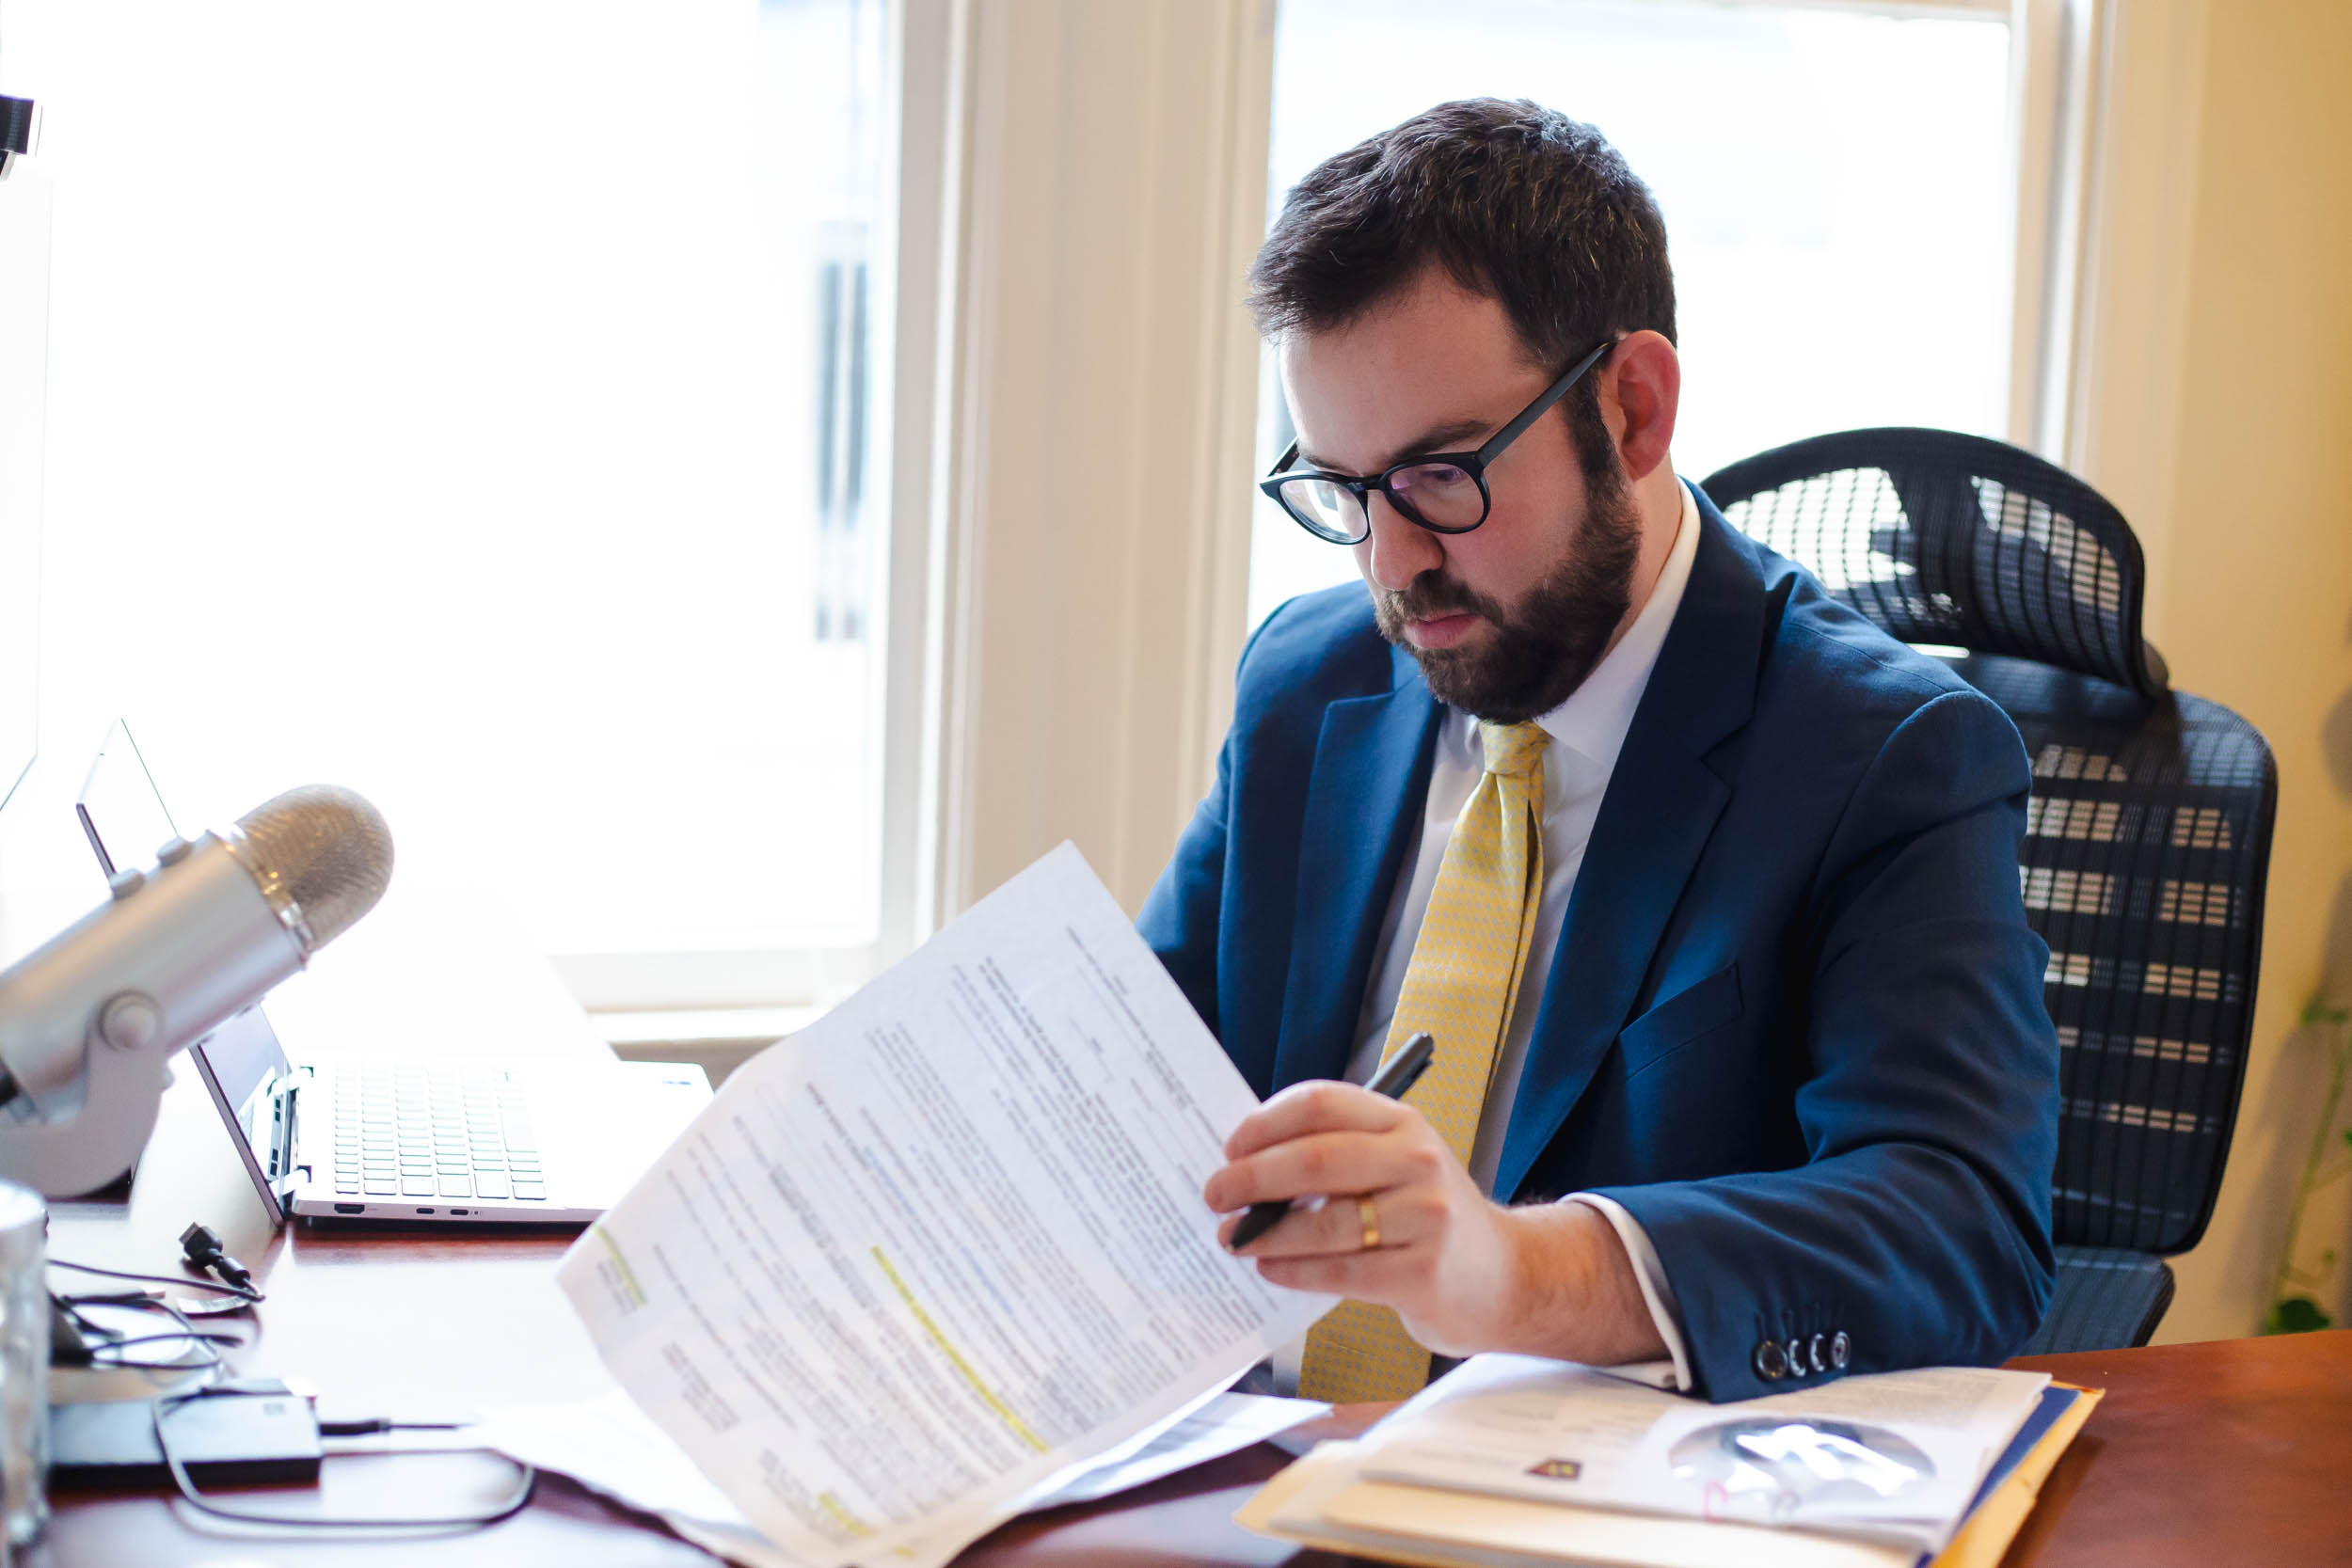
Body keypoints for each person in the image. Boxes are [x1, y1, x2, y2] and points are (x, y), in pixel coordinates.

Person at [1140, 98, 2058, 1404]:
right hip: (1234, 1464)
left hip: (1571, 1497)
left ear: (1632, 410)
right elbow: (1134, 1074)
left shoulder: (1888, 757)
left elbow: (1961, 1228)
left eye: (1441, 476)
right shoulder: (1308, 681)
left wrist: (1511, 1272)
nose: (1392, 565)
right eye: (1343, 493)